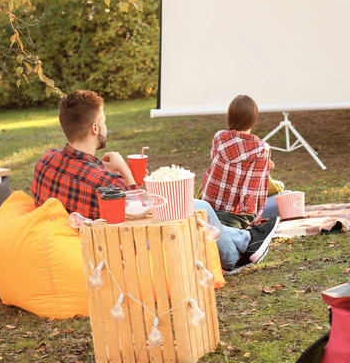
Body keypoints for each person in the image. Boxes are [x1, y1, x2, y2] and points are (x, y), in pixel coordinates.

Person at [31, 90, 278, 274]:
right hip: (127, 243)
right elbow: (146, 212)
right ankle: (238, 252)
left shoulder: (46, 161)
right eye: (104, 121)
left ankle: (245, 238)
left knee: (198, 207)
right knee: (200, 208)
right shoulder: (104, 181)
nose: (106, 125)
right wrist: (124, 170)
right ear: (95, 128)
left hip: (80, 235)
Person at [200, 94, 283, 229]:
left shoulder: (219, 137)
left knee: (279, 185)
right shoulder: (261, 149)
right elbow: (249, 193)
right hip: (235, 215)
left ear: (230, 116)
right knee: (284, 193)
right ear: (253, 119)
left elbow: (222, 165)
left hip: (210, 206)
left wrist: (263, 166)